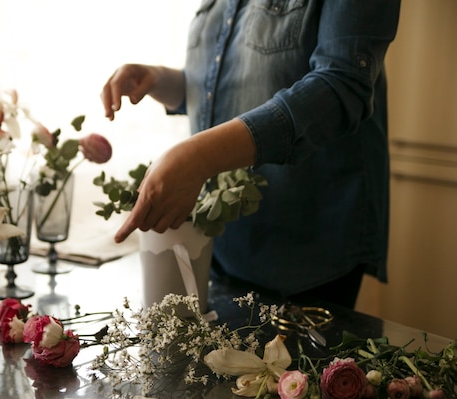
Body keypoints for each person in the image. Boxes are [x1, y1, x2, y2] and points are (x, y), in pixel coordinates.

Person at [100, 0, 401, 309]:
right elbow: (237, 85)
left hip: (307, 248)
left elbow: (341, 85)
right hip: (223, 245)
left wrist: (199, 157)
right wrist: (162, 80)